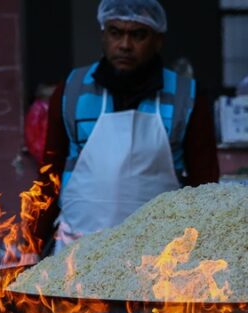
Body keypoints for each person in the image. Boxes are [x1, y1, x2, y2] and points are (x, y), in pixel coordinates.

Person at [32, 0, 220, 253]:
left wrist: (206, 250)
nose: (125, 45)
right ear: (103, 35)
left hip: (160, 257)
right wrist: (31, 243)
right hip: (76, 252)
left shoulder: (188, 97)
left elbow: (204, 185)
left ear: (158, 40)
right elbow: (49, 175)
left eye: (138, 35)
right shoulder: (71, 90)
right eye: (115, 32)